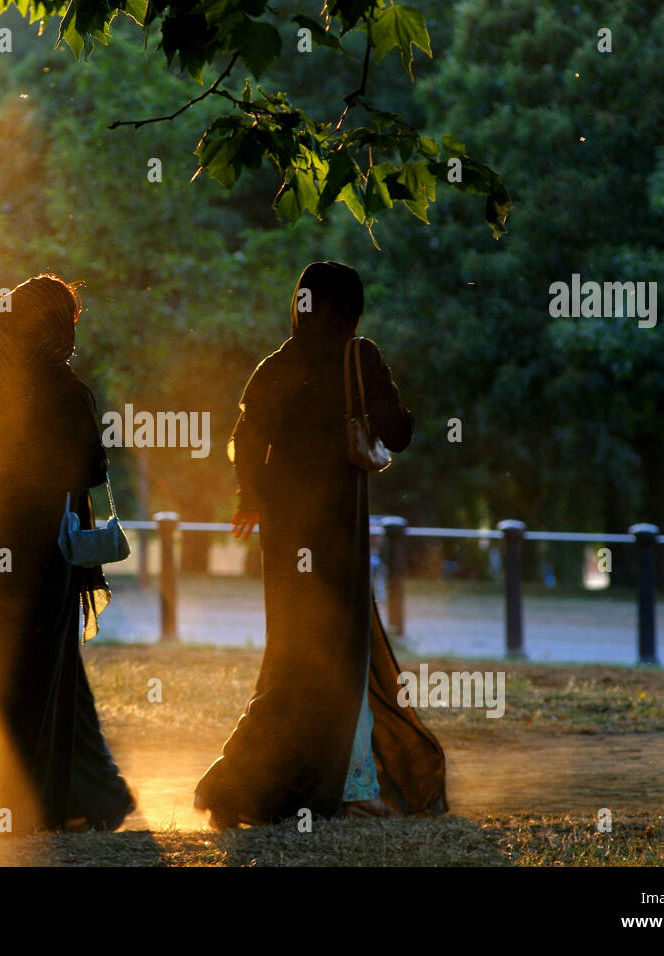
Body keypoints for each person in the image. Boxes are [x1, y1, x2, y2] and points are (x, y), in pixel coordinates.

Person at [194, 260, 447, 828]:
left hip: (285, 538)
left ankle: (253, 784)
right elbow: (398, 434)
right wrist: (394, 409)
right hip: (337, 534)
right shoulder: (359, 358)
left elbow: (244, 437)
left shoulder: (276, 365)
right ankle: (341, 783)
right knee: (339, 658)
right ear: (350, 309)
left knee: (292, 657)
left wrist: (249, 499)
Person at [0, 274, 135, 838]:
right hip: (45, 562)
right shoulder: (69, 394)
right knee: (38, 679)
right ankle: (37, 807)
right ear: (56, 329)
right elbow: (90, 474)